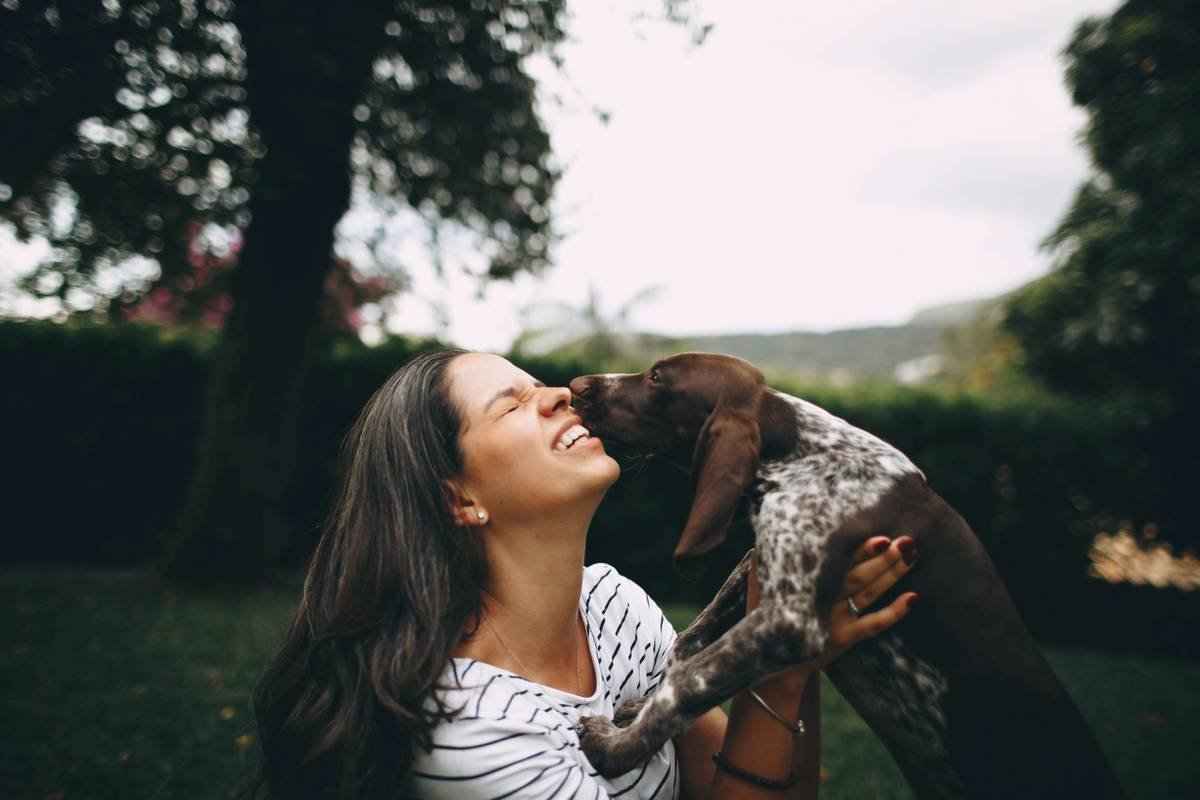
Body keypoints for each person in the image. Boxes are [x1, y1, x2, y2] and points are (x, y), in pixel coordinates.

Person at [251, 349, 919, 800]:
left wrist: (785, 633)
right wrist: (783, 662)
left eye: (540, 384)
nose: (561, 395)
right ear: (457, 499)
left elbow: (747, 782)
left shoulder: (611, 606)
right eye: (511, 405)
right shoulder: (472, 734)